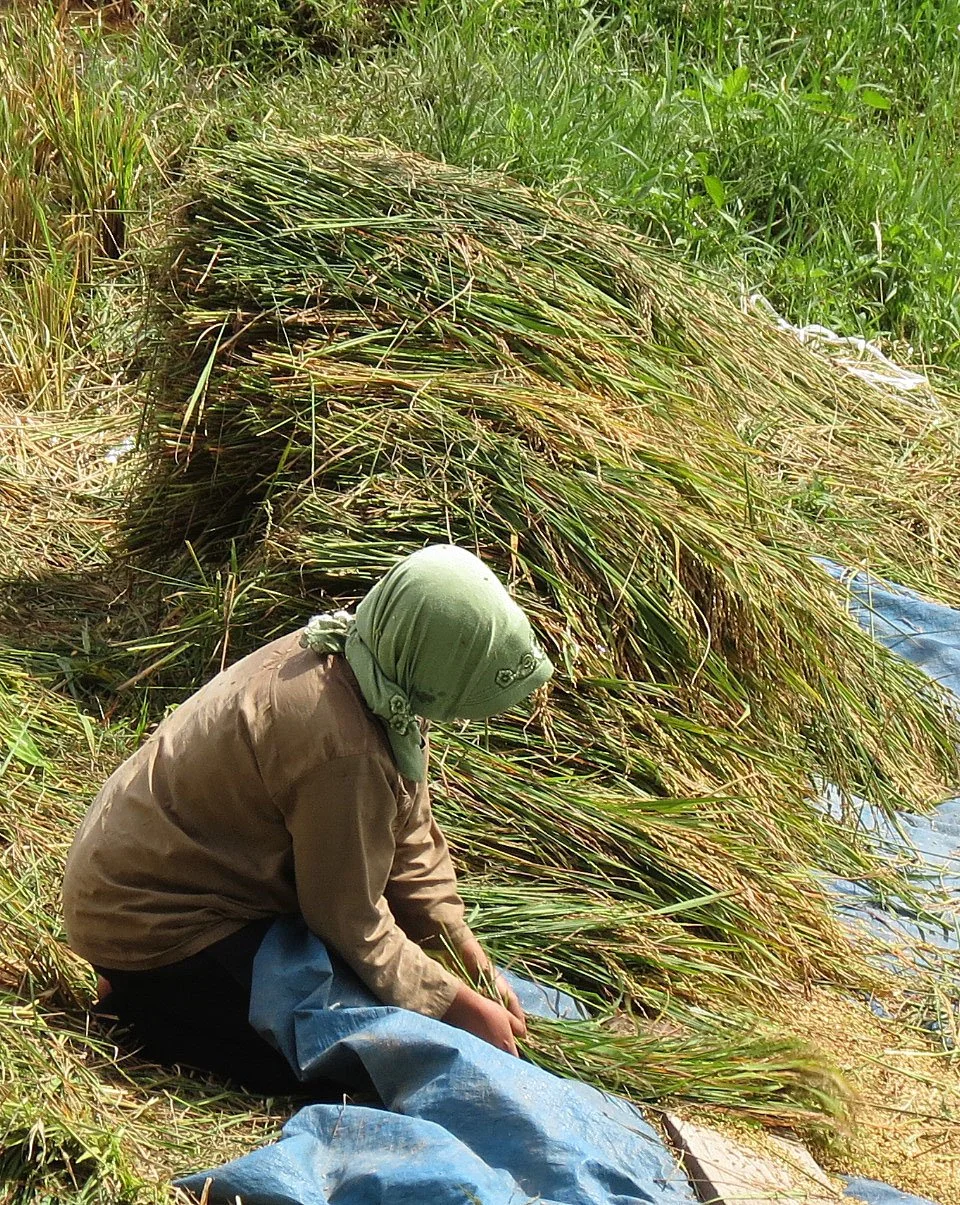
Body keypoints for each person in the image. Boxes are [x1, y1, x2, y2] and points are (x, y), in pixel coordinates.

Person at [62, 544, 553, 1094]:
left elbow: (409, 837)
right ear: (435, 666)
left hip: (160, 867)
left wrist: (470, 961)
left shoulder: (370, 661)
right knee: (355, 1062)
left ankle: (159, 989)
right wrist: (455, 1007)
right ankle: (139, 1002)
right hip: (152, 919)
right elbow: (350, 919)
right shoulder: (341, 749)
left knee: (382, 1002)